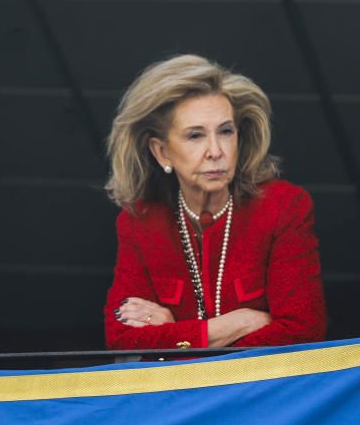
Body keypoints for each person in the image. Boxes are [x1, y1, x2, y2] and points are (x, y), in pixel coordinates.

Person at [104, 54, 326, 350]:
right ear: (162, 152)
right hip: (180, 396)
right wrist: (241, 323)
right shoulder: (140, 221)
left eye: (225, 131)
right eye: (195, 135)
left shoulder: (283, 206)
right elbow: (121, 339)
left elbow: (303, 332)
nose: (215, 150)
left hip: (262, 392)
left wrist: (175, 335)